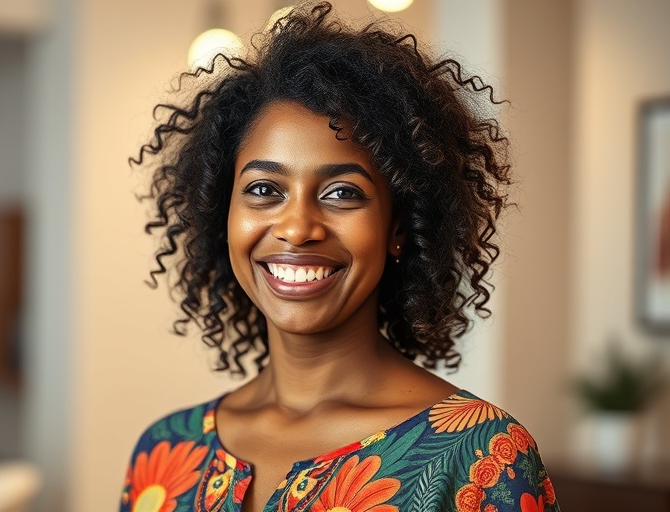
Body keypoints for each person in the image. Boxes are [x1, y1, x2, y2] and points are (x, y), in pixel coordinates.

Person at [121, 2, 560, 511]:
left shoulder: (482, 459)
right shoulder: (166, 453)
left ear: (398, 227)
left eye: (342, 193)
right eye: (264, 188)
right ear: (224, 216)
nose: (297, 228)